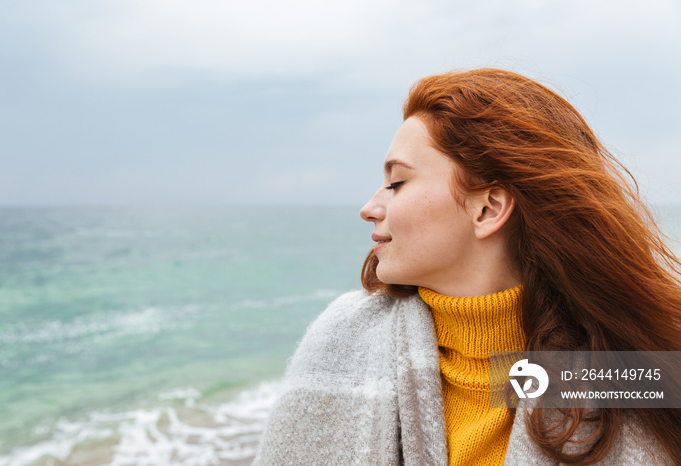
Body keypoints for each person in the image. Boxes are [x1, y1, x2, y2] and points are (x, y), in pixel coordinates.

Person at [253, 69, 681, 465]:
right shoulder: (340, 340)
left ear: (488, 208)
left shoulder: (624, 375)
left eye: (397, 182)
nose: (369, 208)